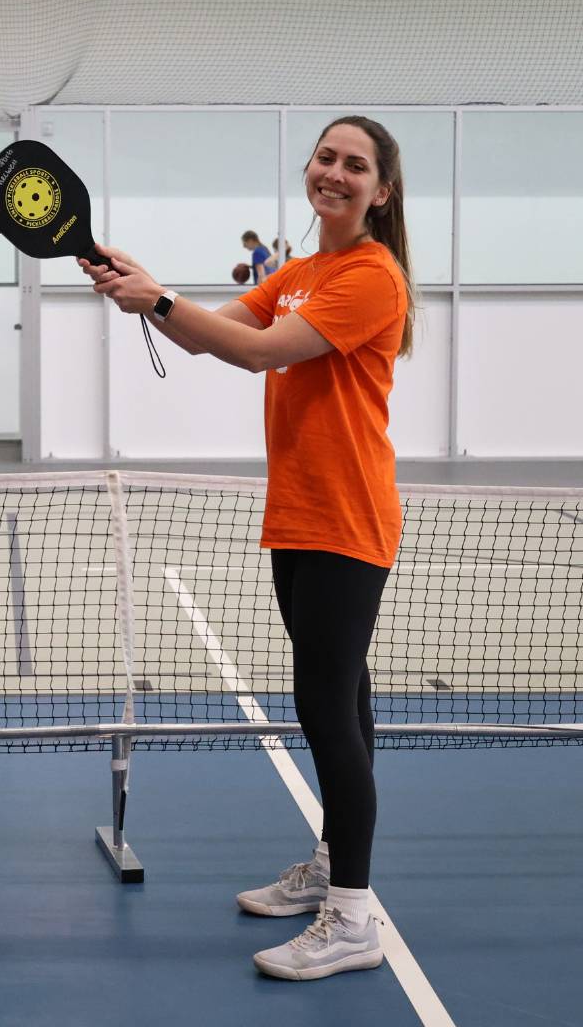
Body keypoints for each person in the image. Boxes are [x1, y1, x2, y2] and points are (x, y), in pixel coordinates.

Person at [79, 115, 414, 981]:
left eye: (355, 165)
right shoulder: (299, 273)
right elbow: (209, 335)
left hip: (348, 517)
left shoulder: (372, 276)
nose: (334, 172)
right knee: (344, 698)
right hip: (299, 513)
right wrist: (140, 285)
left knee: (325, 709)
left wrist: (158, 298)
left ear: (381, 191)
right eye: (325, 157)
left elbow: (263, 353)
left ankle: (352, 920)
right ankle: (334, 868)